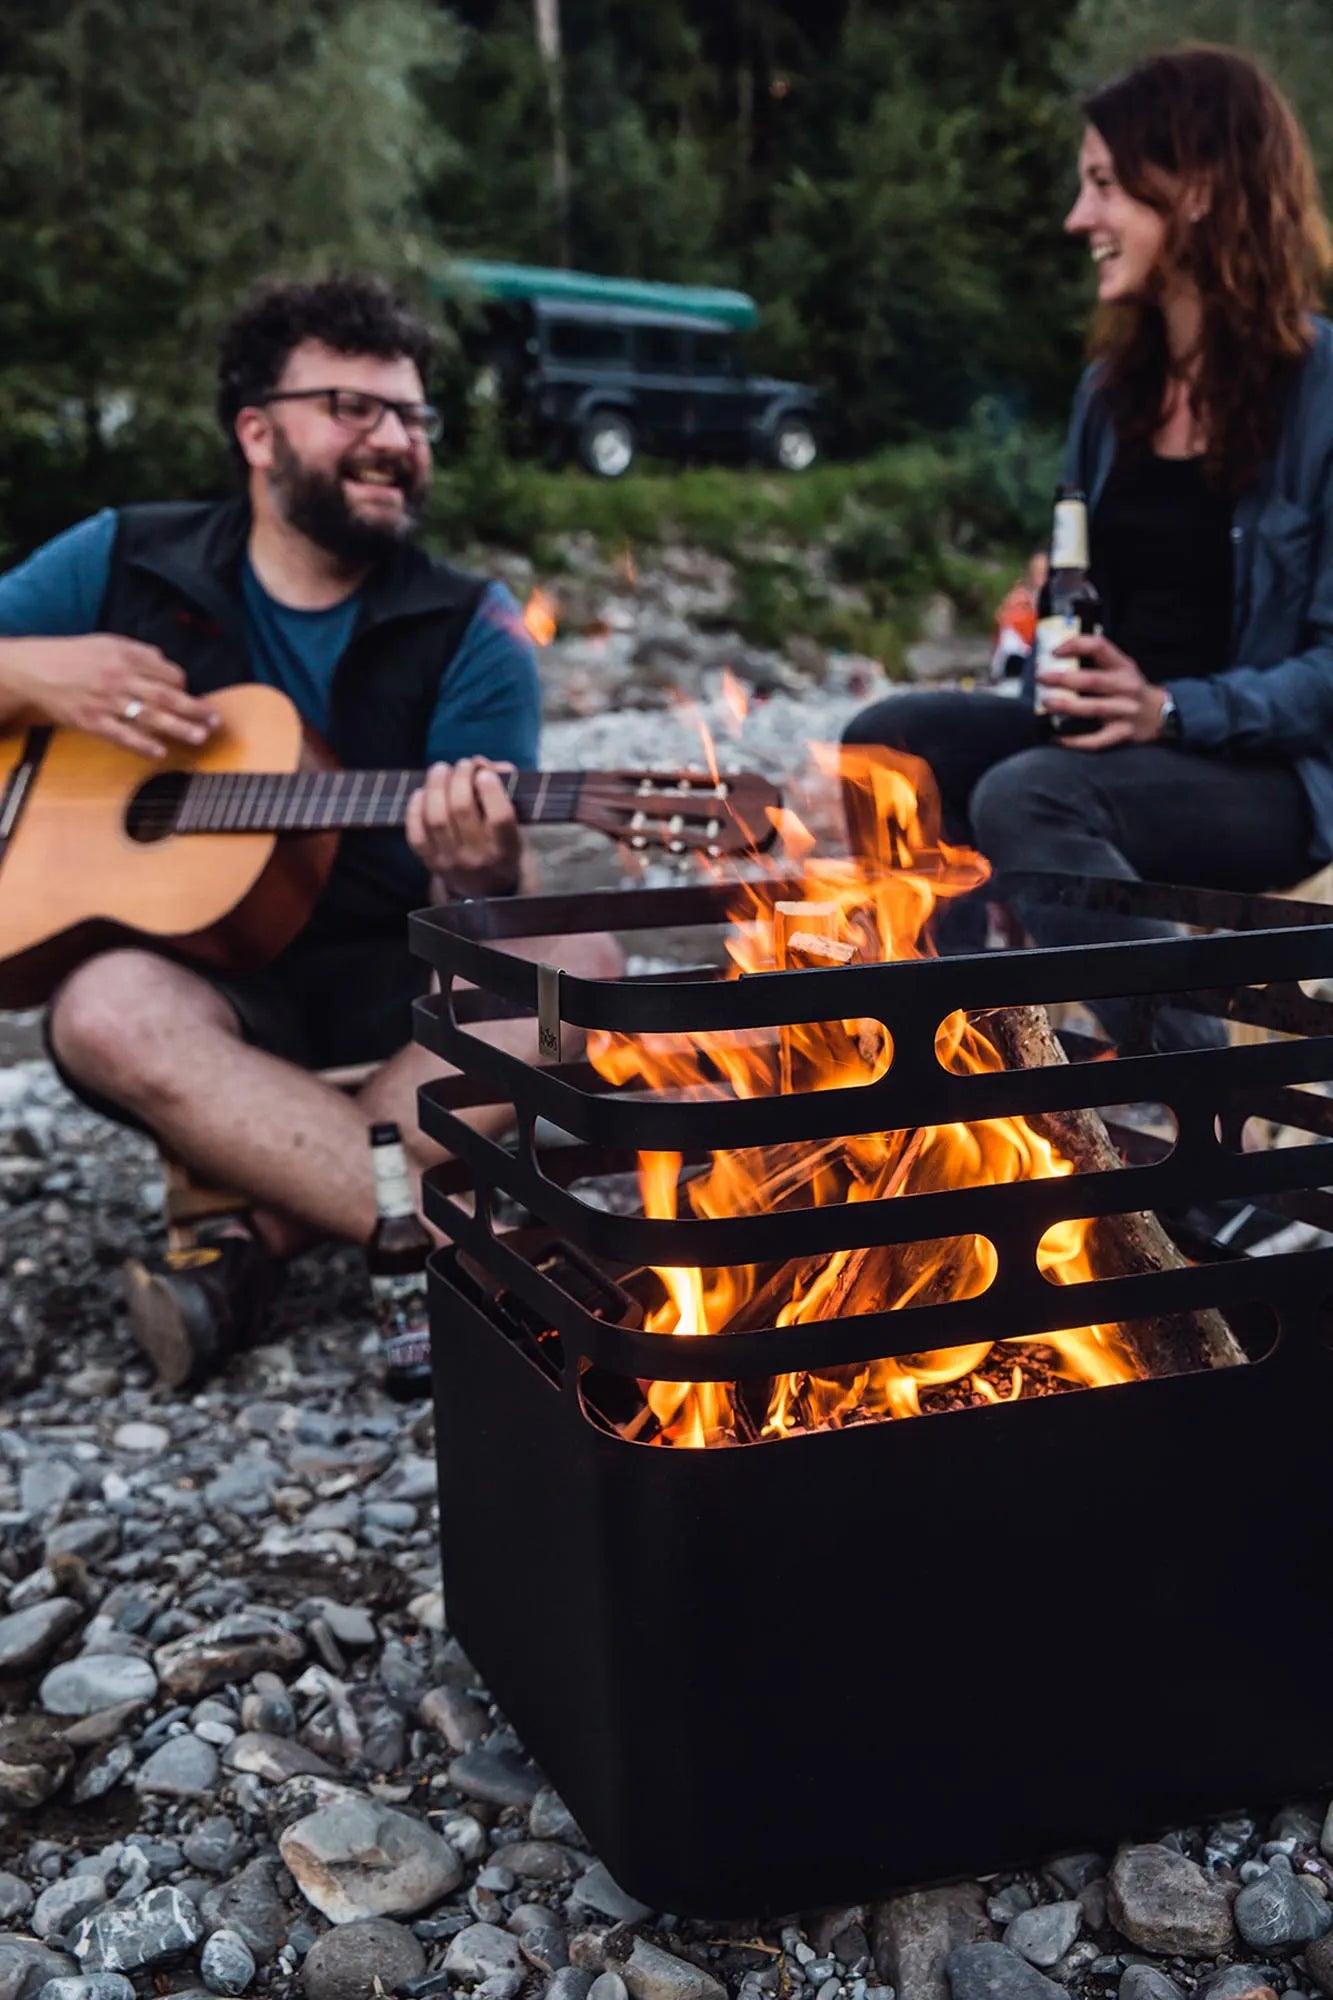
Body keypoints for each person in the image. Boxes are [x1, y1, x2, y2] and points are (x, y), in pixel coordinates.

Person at [0, 273, 617, 1387]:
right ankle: (480, 1249)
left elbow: (492, 902)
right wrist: (31, 671)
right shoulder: (119, 558)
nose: (393, 440)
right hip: (215, 987)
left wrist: (479, 870)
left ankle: (259, 1240)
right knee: (101, 1008)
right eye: (353, 408)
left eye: (412, 417)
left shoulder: (470, 624)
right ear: (255, 430)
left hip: (398, 981)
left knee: (580, 968)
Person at [843, 46, 1333, 1050]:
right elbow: (1081, 595)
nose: (1078, 219)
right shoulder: (1108, 397)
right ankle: (975, 1074)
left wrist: (1169, 707)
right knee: (888, 745)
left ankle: (1212, 1123)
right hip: (1116, 744)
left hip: (1271, 771)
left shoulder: (1323, 388)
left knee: (1028, 795)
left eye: (1104, 185)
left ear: (1196, 188)